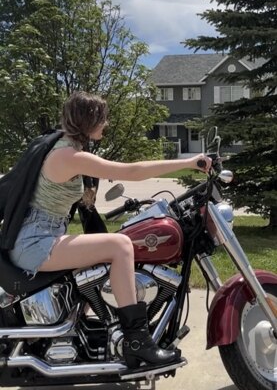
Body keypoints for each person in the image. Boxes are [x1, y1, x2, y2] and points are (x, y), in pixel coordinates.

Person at [9, 91, 212, 369]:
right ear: (88, 120)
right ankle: (137, 342)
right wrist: (188, 162)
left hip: (43, 236)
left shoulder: (64, 147)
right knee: (120, 245)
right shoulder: (69, 155)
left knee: (112, 250)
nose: (106, 124)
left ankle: (113, 329)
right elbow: (131, 171)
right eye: (102, 118)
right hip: (37, 242)